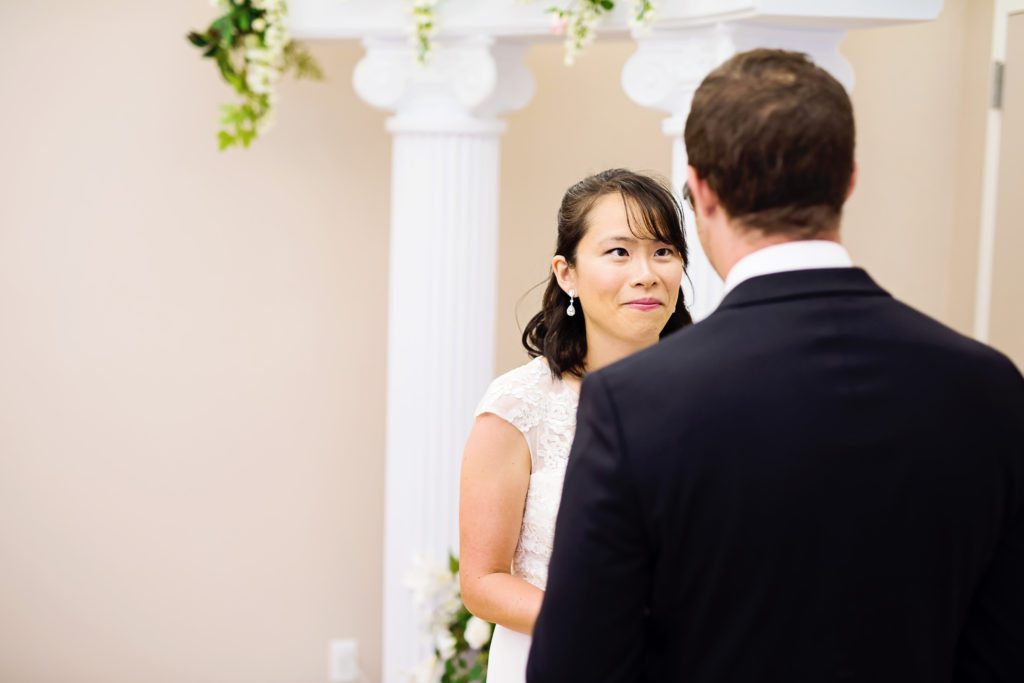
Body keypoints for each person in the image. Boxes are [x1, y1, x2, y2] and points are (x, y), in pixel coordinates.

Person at [528, 49, 1024, 682]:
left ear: (701, 190)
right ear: (849, 179)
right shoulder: (986, 386)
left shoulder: (636, 402)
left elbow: (578, 668)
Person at [458, 169, 691, 683]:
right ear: (567, 273)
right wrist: (607, 628)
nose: (646, 273)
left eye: (663, 251)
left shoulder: (710, 399)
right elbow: (483, 581)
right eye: (619, 252)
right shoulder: (520, 404)